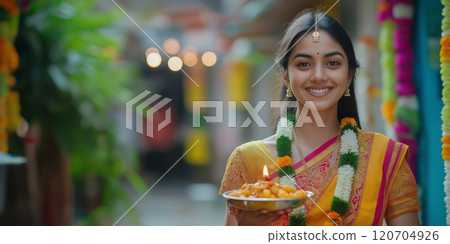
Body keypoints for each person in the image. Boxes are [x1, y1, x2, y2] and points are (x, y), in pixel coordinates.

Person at [219, 10, 420, 226]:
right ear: (286, 75)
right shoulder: (248, 160)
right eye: (304, 64)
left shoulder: (385, 157)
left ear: (349, 74)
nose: (318, 76)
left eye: (332, 63)